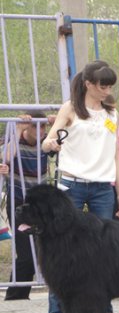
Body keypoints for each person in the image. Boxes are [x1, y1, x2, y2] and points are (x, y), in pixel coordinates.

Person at [40, 60, 119, 313]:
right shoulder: (72, 109)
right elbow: (50, 140)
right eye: (103, 85)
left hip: (103, 187)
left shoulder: (111, 113)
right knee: (62, 253)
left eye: (110, 86)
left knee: (104, 254)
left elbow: (114, 154)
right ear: (88, 83)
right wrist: (51, 143)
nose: (106, 90)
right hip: (72, 186)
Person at [2, 111, 54, 301]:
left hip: (40, 205)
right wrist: (18, 129)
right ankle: (15, 296)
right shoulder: (14, 139)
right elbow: (6, 157)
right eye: (35, 126)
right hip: (19, 202)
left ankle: (19, 295)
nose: (41, 131)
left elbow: (62, 144)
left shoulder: (47, 141)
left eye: (43, 127)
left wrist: (57, 123)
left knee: (42, 250)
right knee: (26, 253)